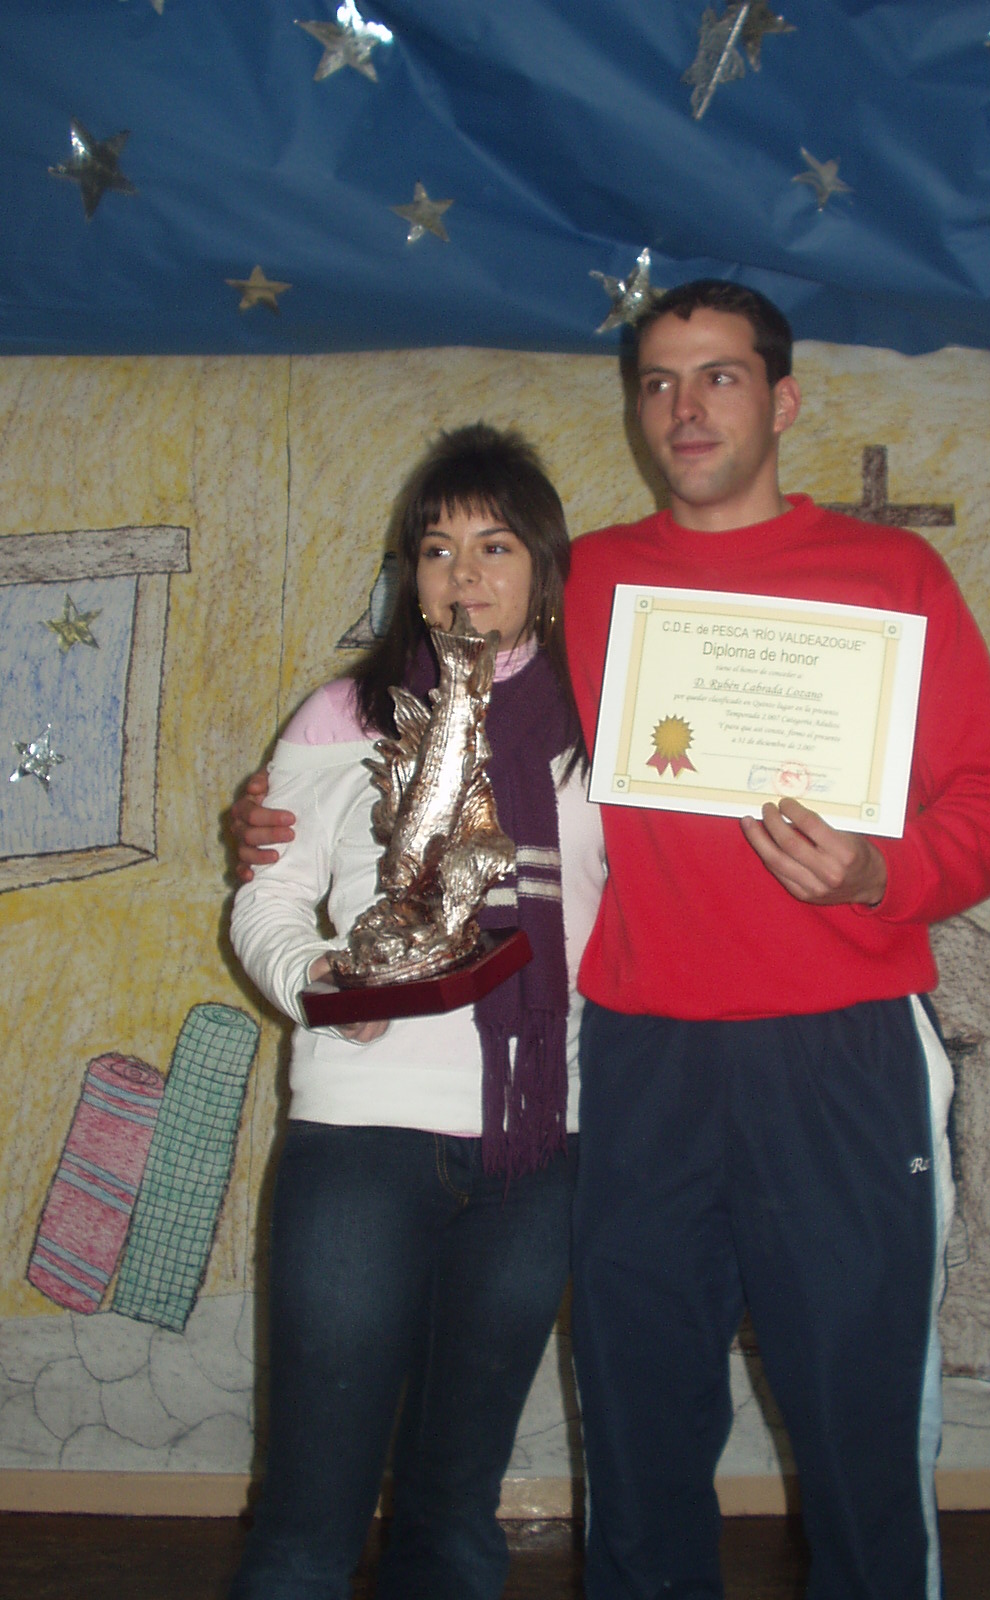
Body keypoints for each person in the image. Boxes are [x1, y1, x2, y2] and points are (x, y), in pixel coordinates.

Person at [233, 283, 990, 1600]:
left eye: (720, 376)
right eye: (659, 382)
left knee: (858, 1433)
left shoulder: (893, 577)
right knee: (639, 1435)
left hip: (837, 1056)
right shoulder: (590, 586)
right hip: (638, 1063)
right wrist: (277, 814)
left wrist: (883, 872)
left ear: (782, 400)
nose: (686, 407)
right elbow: (425, 725)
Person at [225, 424, 605, 1600]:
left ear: (543, 566)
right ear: (409, 572)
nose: (465, 574)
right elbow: (267, 893)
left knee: (453, 1509)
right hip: (361, 1139)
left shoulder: (600, 734)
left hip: (534, 1152)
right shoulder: (346, 714)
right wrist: (318, 983)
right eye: (437, 549)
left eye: (496, 545)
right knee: (309, 1514)